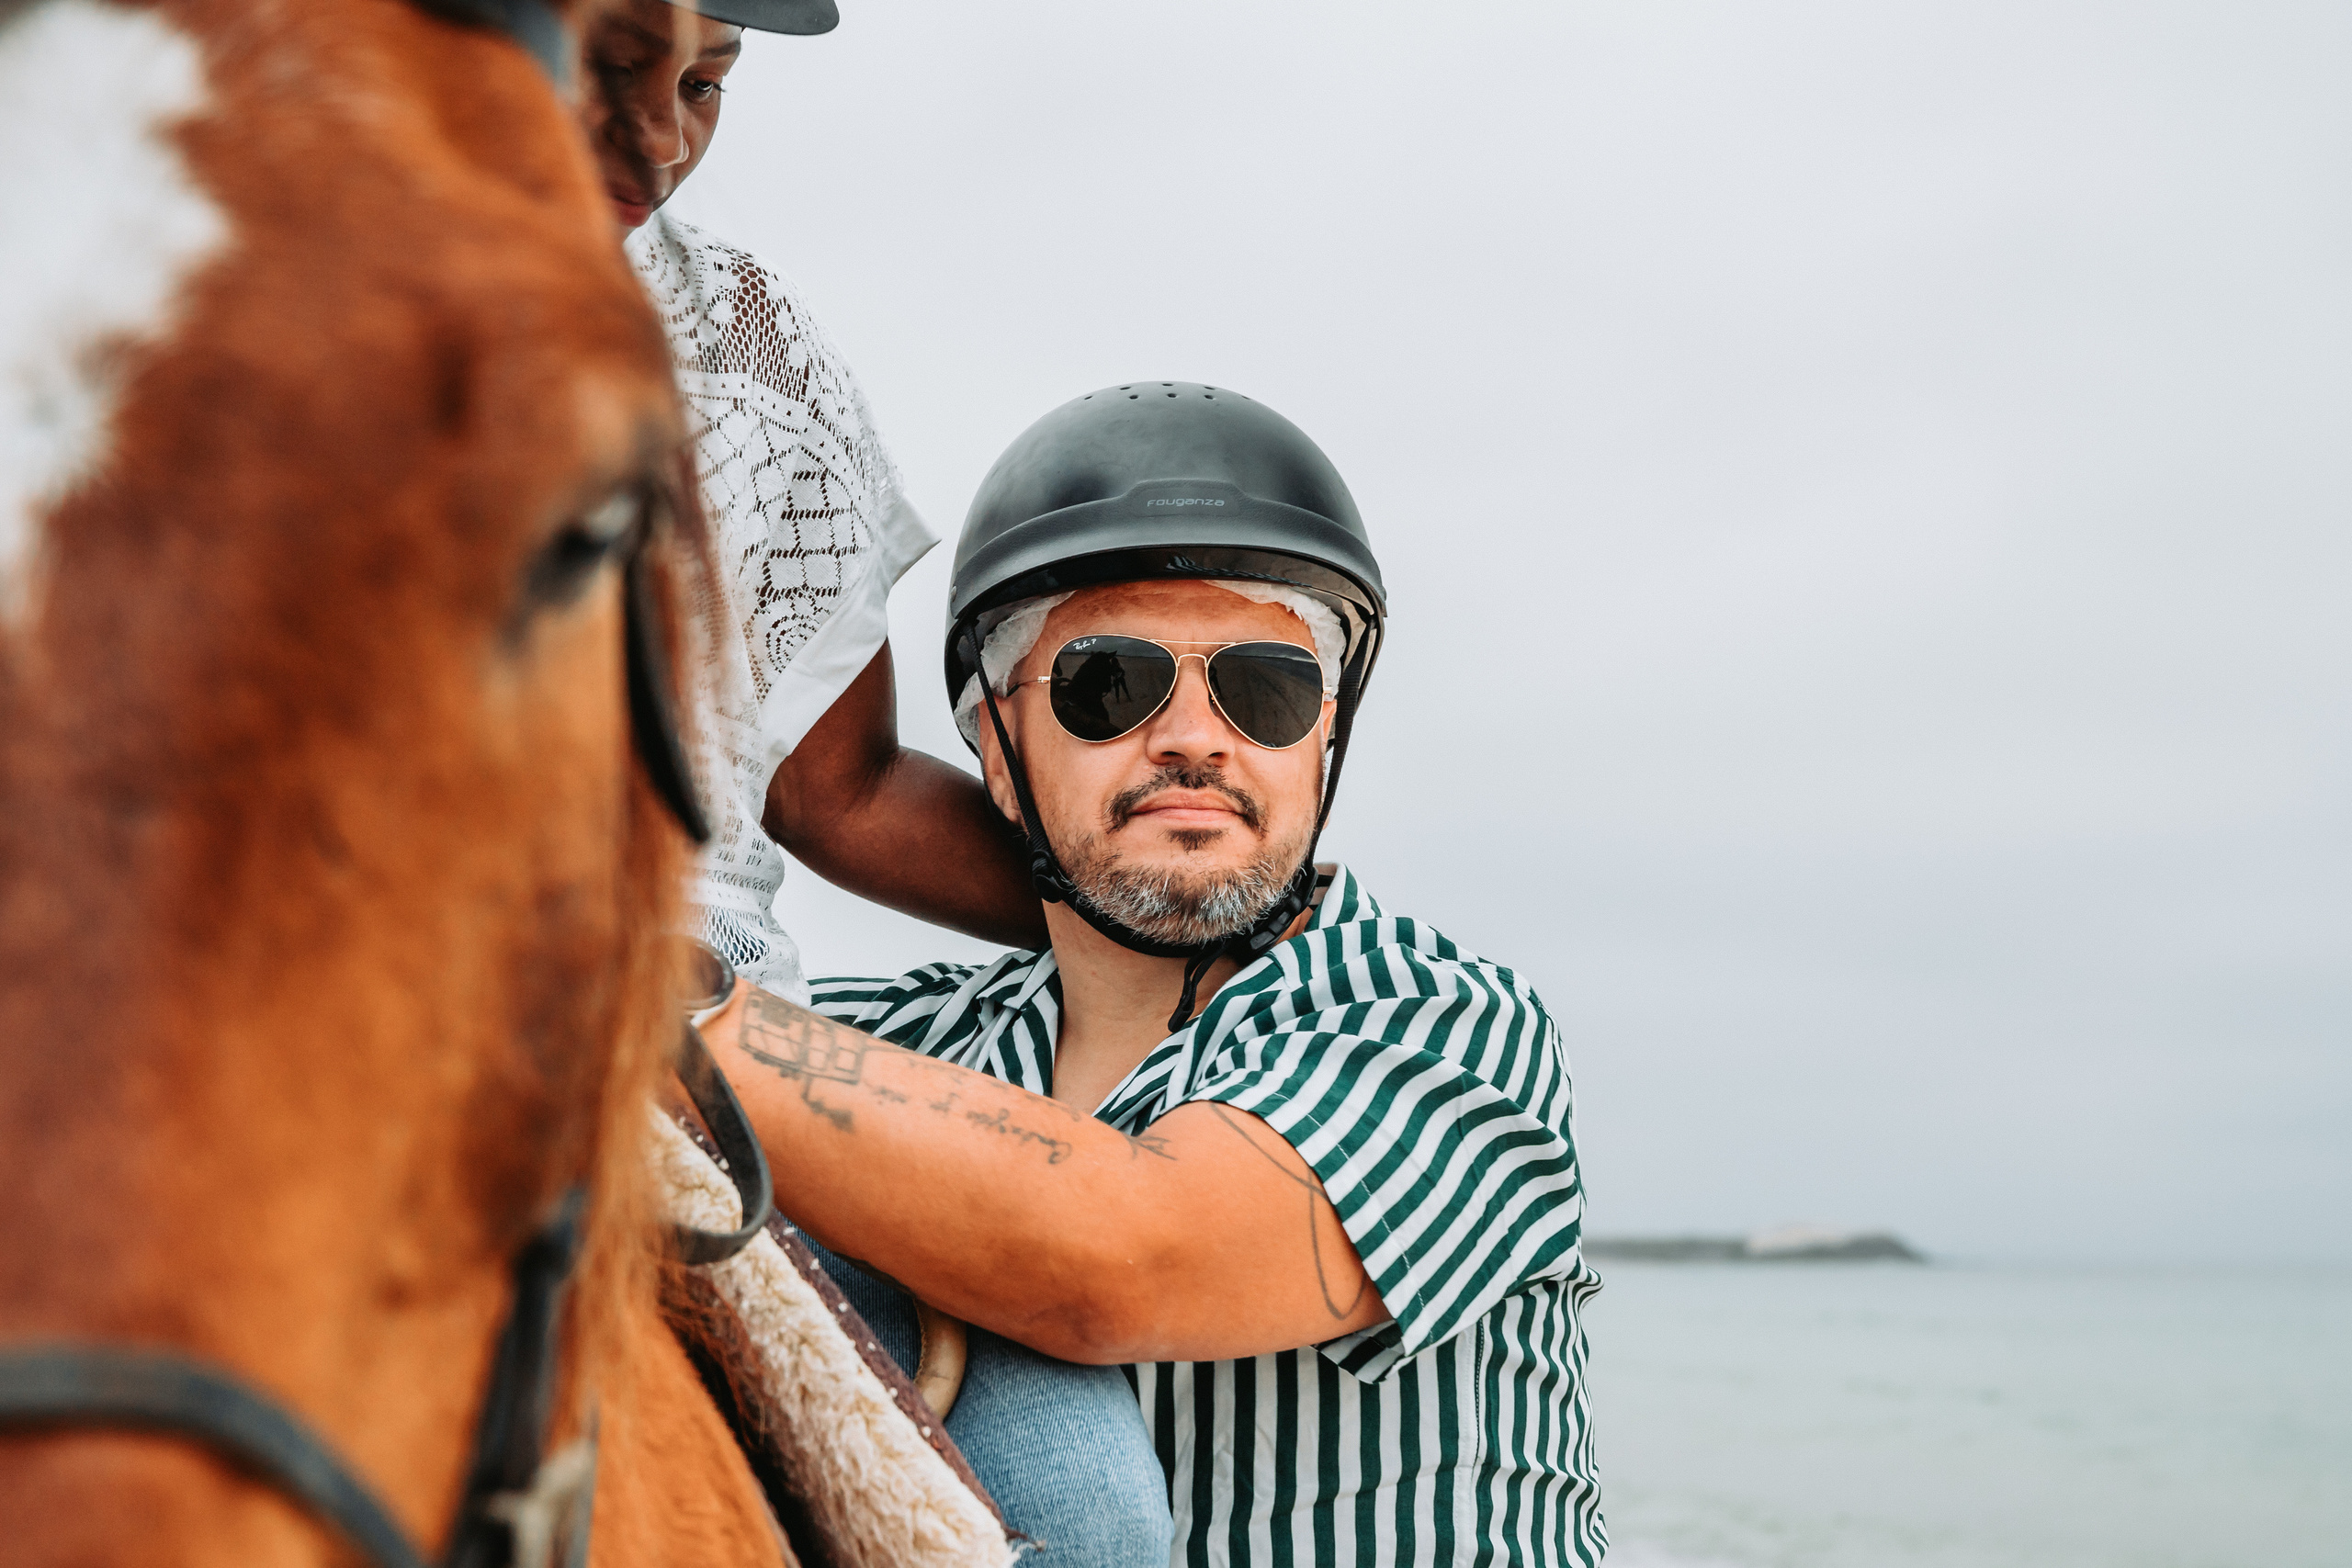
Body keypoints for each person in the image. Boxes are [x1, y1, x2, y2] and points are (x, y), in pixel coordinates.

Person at [697, 384, 1608, 1566]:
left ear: (1321, 742)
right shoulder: (906, 1044)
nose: (1194, 735)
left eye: (1266, 691)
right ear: (998, 751)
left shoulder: (1449, 1028)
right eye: (1108, 686)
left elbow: (1117, 1260)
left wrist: (659, 1017)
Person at [578, 5, 1173, 1560]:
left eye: (709, 81)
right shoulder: (194, 262)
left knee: (1086, 1510)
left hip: (723, 1047)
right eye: (608, 59)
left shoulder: (748, 347)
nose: (664, 134)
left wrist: (1183, 905)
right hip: (338, 978)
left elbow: (834, 790)